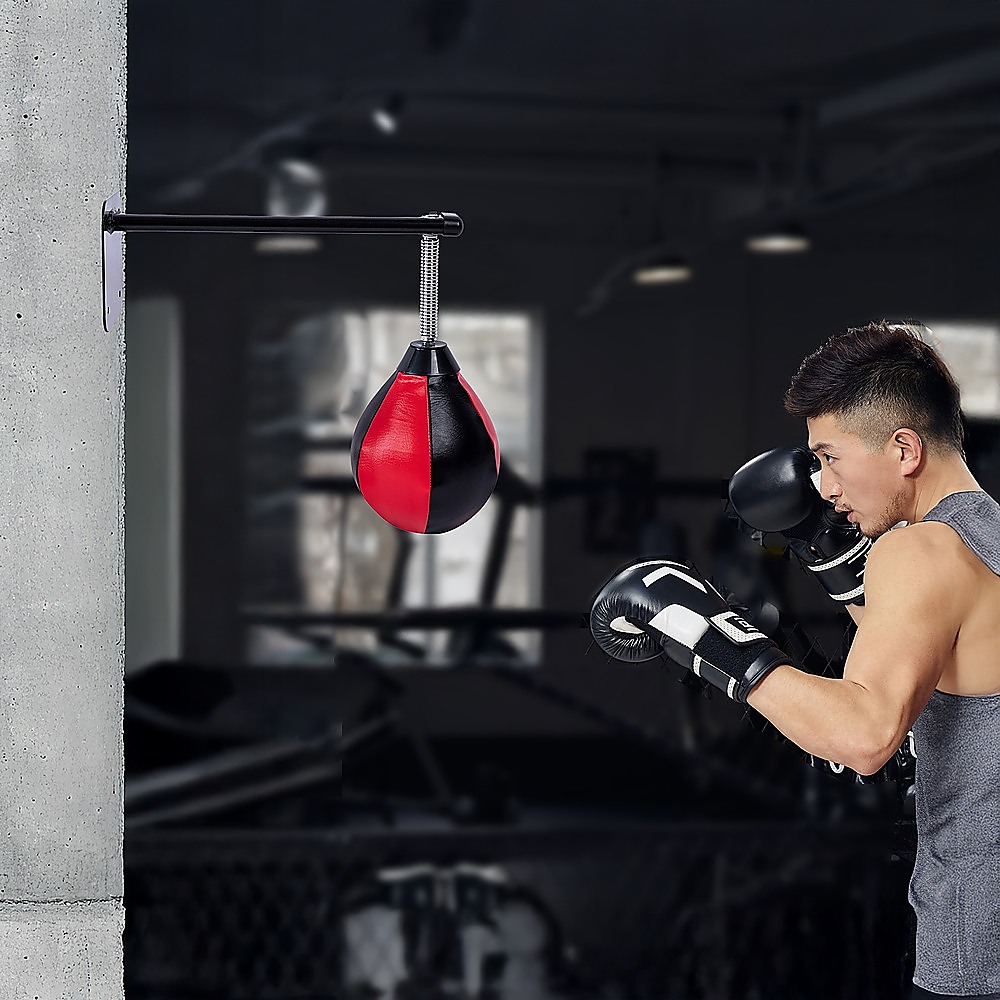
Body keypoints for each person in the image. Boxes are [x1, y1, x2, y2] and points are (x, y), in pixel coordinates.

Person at [590, 321, 1000, 999]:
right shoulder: (983, 540)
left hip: (975, 952)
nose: (823, 485)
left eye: (829, 457)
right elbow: (937, 656)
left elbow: (866, 734)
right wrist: (834, 561)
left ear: (904, 449)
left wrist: (704, 634)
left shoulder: (917, 551)